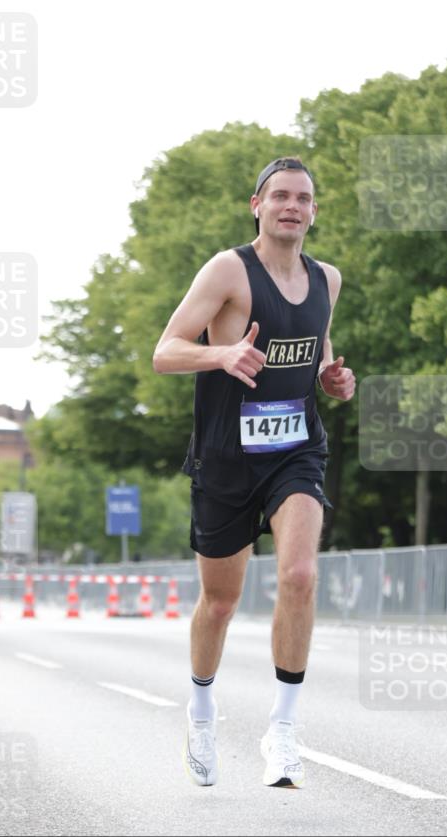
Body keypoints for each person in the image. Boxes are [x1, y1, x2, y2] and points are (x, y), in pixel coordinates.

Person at [153, 156, 355, 788]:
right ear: (257, 205)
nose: (292, 206)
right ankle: (203, 710)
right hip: (226, 457)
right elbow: (165, 352)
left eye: (303, 198)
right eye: (281, 197)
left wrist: (332, 378)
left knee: (298, 574)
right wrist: (223, 353)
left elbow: (315, 351)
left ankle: (284, 730)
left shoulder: (328, 279)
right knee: (220, 602)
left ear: (314, 211)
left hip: (296, 450)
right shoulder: (227, 270)